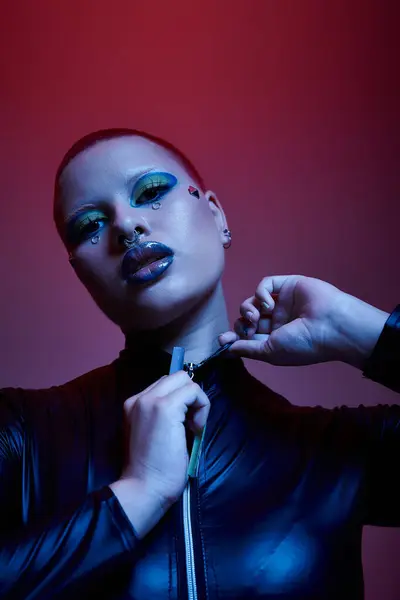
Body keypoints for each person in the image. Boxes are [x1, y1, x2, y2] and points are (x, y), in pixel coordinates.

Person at [0, 128, 398, 600]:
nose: (126, 226)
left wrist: (364, 332)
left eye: (150, 192)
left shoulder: (336, 452)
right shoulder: (22, 434)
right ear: (81, 272)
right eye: (90, 225)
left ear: (216, 213)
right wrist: (137, 496)